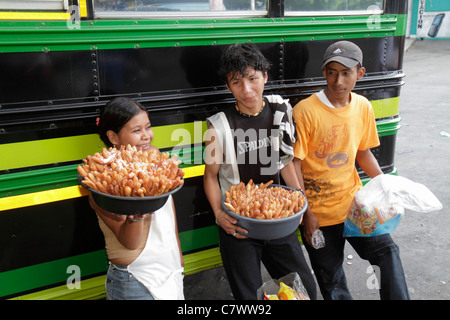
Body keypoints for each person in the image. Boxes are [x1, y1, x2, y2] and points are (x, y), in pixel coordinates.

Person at [292, 40, 409, 300]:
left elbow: (363, 152)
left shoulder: (362, 107)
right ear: (323, 73)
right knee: (331, 279)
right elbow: (294, 164)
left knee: (386, 253)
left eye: (346, 73)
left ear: (360, 73)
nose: (338, 81)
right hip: (318, 215)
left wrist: (384, 186)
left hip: (356, 206)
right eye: (331, 72)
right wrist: (307, 213)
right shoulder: (305, 112)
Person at [203, 43, 317, 300]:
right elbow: (210, 177)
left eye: (253, 79)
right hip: (238, 225)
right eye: (236, 82)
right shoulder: (218, 127)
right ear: (227, 86)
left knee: (304, 289)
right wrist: (219, 214)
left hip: (278, 219)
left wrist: (300, 203)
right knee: (249, 297)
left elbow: (285, 161)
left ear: (265, 76)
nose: (247, 90)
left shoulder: (280, 111)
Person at [90, 97, 184, 300]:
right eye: (136, 130)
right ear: (113, 137)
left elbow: (170, 214)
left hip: (169, 271)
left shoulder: (157, 161)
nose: (146, 136)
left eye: (148, 127)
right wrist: (137, 213)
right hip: (134, 280)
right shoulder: (101, 181)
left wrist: (178, 256)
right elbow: (130, 242)